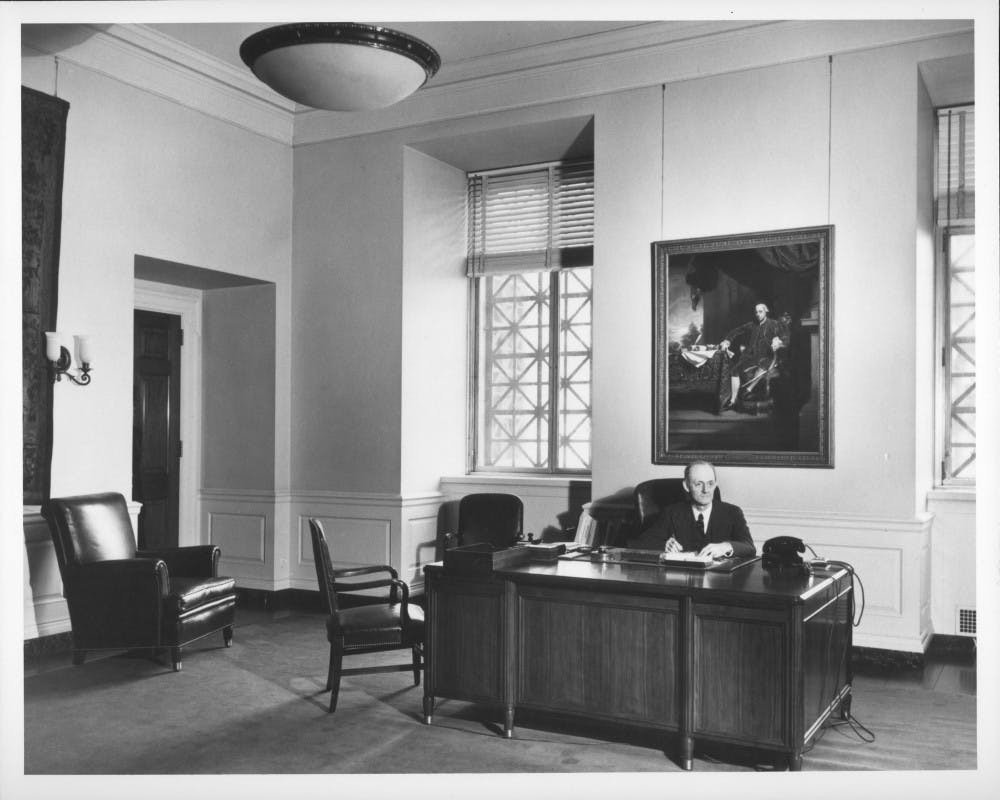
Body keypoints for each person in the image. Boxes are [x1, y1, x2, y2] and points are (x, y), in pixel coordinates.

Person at [631, 461, 756, 559]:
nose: (706, 490)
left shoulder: (732, 512)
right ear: (686, 486)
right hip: (682, 579)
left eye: (710, 483)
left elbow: (749, 547)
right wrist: (664, 545)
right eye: (698, 484)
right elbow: (640, 544)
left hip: (720, 580)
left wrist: (725, 547)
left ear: (715, 484)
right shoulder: (672, 513)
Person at [719, 302, 788, 410]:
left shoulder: (774, 324)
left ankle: (747, 391)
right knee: (734, 371)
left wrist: (778, 343)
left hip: (767, 356)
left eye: (760, 312)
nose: (758, 314)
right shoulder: (752, 325)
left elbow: (785, 339)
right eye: (756, 312)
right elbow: (736, 331)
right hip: (751, 356)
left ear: (766, 312)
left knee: (763, 367)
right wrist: (727, 341)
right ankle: (733, 400)